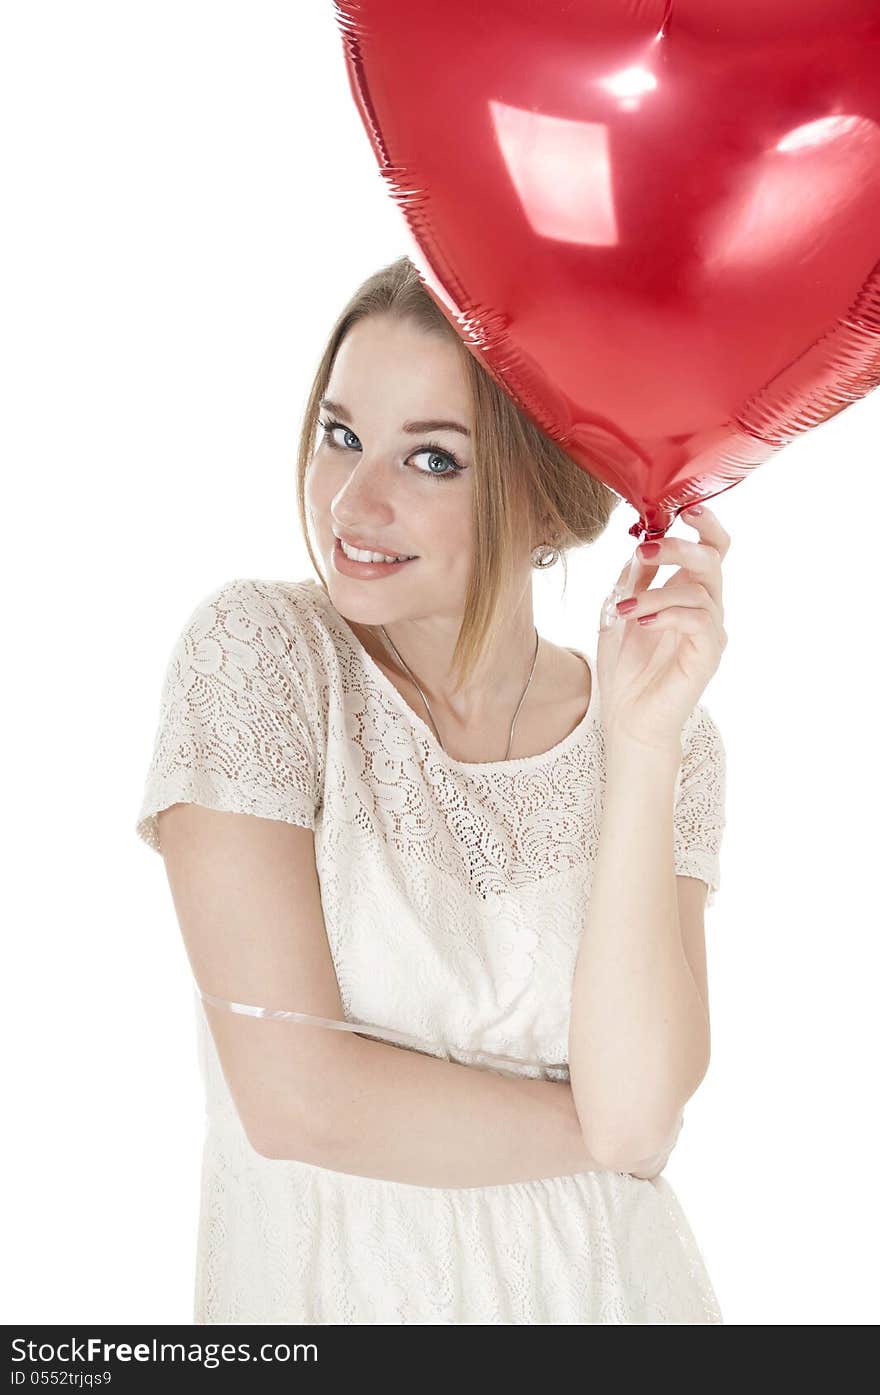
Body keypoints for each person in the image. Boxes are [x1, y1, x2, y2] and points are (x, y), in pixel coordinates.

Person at [135, 254, 728, 1324]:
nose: (356, 500)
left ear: (545, 500)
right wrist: (594, 1133)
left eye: (434, 461)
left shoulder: (663, 741)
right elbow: (301, 1103)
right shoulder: (263, 658)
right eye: (341, 434)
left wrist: (641, 748)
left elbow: (640, 1107)